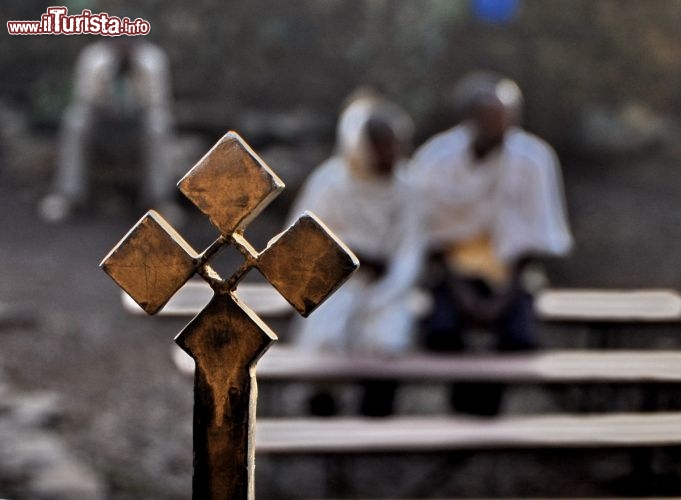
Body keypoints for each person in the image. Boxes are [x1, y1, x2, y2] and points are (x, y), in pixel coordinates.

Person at [411, 76, 573, 416]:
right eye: (491, 118)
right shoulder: (437, 159)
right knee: (441, 333)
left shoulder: (533, 158)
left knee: (519, 339)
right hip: (453, 274)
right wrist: (461, 292)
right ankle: (460, 406)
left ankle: (489, 410)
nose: (501, 127)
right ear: (470, 118)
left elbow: (536, 234)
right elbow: (427, 233)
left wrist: (505, 296)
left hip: (511, 274)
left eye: (506, 118)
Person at [288, 90, 424, 417]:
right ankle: (321, 416)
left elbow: (411, 250)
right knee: (325, 339)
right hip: (333, 285)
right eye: (385, 144)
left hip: (389, 288)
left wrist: (387, 285)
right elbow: (300, 241)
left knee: (389, 340)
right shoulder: (331, 182)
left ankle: (374, 424)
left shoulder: (408, 189)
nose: (395, 152)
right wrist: (348, 256)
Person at [39, 38, 178, 223]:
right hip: (102, 125)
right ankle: (68, 195)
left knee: (159, 123)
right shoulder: (93, 56)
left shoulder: (152, 59)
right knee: (75, 120)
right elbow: (85, 98)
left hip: (137, 126)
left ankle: (159, 199)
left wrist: (137, 74)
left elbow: (157, 102)